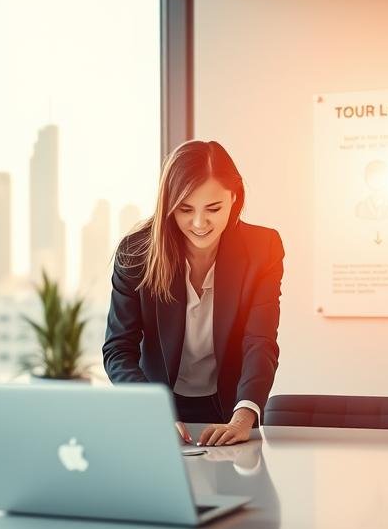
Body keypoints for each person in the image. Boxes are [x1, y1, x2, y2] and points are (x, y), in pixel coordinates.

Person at [104, 140, 284, 447]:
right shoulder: (136, 253)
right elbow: (119, 349)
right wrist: (152, 412)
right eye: (185, 209)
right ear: (169, 205)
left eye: (213, 208)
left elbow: (260, 341)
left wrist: (243, 416)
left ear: (234, 198)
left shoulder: (262, 249)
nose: (200, 223)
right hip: (158, 405)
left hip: (230, 409)